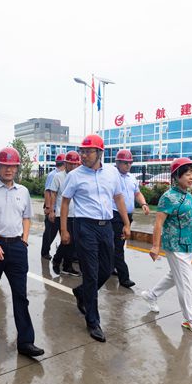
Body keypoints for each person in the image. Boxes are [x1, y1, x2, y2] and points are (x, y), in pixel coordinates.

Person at [0, 146, 44, 358]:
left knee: (21, 295)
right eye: (5, 166)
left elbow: (26, 217)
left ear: (17, 168)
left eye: (13, 166)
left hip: (17, 248)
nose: (9, 170)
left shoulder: (23, 191)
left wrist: (24, 240)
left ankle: (26, 341)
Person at [60, 134, 130, 342]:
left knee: (107, 269)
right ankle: (93, 321)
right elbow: (65, 202)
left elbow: (118, 197)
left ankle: (82, 292)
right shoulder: (75, 176)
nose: (83, 155)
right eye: (82, 151)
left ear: (100, 153)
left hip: (106, 226)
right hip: (84, 226)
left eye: (88, 152)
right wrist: (64, 230)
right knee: (91, 272)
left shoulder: (111, 173)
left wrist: (126, 223)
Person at [141, 158, 192, 335]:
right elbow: (158, 224)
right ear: (176, 176)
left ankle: (151, 295)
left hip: (189, 244)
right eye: (187, 174)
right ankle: (190, 320)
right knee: (185, 283)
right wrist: (155, 246)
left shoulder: (189, 195)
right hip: (175, 244)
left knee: (175, 276)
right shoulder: (168, 197)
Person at [111, 149, 150, 288]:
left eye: (130, 163)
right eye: (125, 163)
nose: (128, 165)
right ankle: (124, 277)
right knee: (118, 246)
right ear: (117, 163)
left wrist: (144, 204)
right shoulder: (111, 177)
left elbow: (137, 193)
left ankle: (111, 267)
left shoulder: (131, 178)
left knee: (117, 245)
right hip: (115, 215)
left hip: (128, 216)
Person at [49, 150, 80, 276]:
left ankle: (67, 266)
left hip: (76, 214)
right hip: (62, 214)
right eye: (70, 163)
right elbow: (53, 193)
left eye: (75, 164)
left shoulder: (79, 176)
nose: (73, 166)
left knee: (72, 242)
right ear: (65, 163)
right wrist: (51, 210)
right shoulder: (58, 176)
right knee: (66, 240)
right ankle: (58, 261)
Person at [41, 154, 65, 259]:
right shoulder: (53, 175)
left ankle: (61, 254)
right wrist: (48, 208)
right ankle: (45, 252)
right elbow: (47, 192)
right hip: (52, 209)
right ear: (64, 164)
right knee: (50, 233)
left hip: (59, 210)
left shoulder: (62, 174)